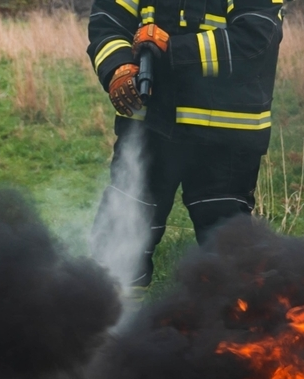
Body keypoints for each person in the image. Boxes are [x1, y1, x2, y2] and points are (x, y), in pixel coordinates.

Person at [87, 0, 284, 290]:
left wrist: (172, 50)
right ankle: (114, 329)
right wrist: (117, 67)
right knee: (118, 248)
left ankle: (229, 331)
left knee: (228, 258)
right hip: (149, 128)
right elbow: (109, 19)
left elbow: (254, 39)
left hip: (224, 138)